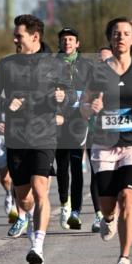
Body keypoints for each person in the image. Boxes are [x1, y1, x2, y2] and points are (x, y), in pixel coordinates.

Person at [0, 14, 69, 264]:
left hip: (44, 134)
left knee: (41, 189)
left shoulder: (55, 64)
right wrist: (5, 103)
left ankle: (37, 245)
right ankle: (30, 218)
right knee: (24, 198)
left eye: (18, 35)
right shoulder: (7, 64)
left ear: (35, 37)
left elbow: (70, 94)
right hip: (16, 136)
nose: (14, 39)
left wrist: (63, 98)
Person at [81, 17, 132, 264]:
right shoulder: (98, 71)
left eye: (126, 33)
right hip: (103, 142)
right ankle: (108, 218)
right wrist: (90, 108)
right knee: (108, 203)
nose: (121, 38)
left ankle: (124, 259)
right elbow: (83, 105)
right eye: (116, 34)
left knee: (127, 197)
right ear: (110, 38)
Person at [55, 27, 93, 230]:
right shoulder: (51, 65)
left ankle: (76, 211)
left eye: (71, 39)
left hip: (79, 118)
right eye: (64, 39)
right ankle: (64, 204)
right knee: (62, 165)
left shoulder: (87, 65)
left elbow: (95, 88)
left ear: (77, 43)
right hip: (59, 119)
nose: (67, 42)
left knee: (76, 165)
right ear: (60, 43)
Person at [89, 47, 115, 232]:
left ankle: (114, 211)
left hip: (119, 134)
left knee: (116, 175)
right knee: (96, 174)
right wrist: (89, 106)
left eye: (108, 60)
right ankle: (99, 215)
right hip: (95, 132)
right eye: (102, 61)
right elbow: (81, 104)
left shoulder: (123, 79)